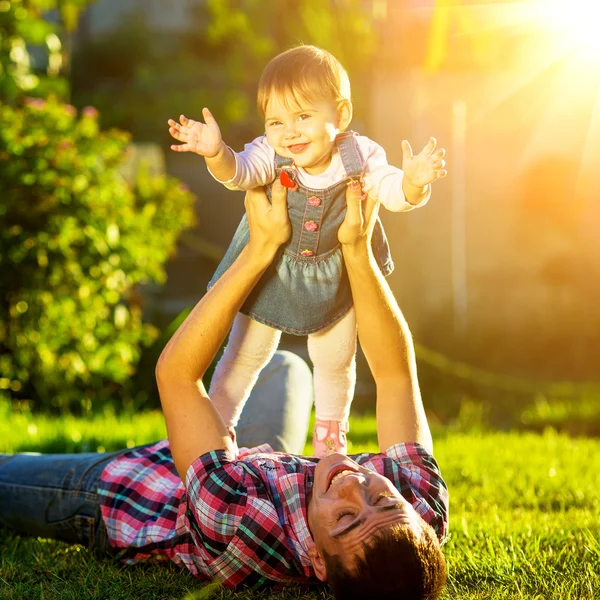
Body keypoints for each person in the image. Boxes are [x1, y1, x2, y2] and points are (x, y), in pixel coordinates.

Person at [0, 181, 449, 599]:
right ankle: (209, 429)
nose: (353, 484)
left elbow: (176, 374)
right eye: (381, 497)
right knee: (287, 367)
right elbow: (394, 374)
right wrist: (356, 249)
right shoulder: (417, 508)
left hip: (139, 492)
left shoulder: (237, 520)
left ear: (316, 558)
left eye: (346, 517)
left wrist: (260, 249)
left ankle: (191, 432)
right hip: (255, 460)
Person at [168, 44, 447, 456]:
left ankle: (329, 444)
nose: (290, 132)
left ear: (342, 115)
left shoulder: (361, 155)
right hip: (270, 270)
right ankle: (217, 431)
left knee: (334, 360)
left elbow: (390, 190)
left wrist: (413, 183)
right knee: (245, 353)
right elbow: (240, 174)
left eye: (303, 116)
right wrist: (217, 154)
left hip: (334, 274)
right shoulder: (270, 152)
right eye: (276, 120)